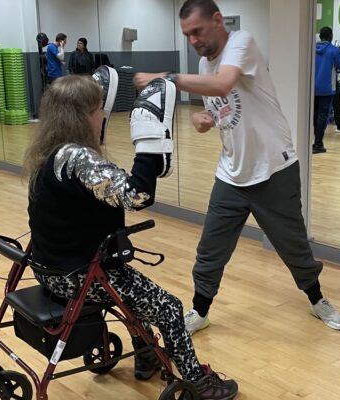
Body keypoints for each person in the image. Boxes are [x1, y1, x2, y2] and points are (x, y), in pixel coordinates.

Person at [134, 0, 340, 335]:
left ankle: (318, 299)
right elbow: (224, 107)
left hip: (274, 170)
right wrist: (204, 118)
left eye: (197, 31)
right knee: (210, 248)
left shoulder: (241, 43)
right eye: (187, 35)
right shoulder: (205, 67)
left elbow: (223, 84)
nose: (193, 41)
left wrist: (165, 78)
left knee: (293, 247)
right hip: (232, 173)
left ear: (218, 20)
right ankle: (200, 310)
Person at [23, 74, 238, 400]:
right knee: (168, 308)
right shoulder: (77, 158)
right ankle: (199, 382)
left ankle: (146, 354)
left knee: (129, 290)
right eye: (99, 109)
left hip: (49, 270)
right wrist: (150, 142)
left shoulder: (46, 155)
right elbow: (136, 195)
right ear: (83, 117)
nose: (104, 115)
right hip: (81, 276)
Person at [313, 27, 340, 153]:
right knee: (323, 116)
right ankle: (318, 144)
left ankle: (313, 143)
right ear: (330, 36)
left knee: (314, 115)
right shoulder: (334, 51)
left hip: (312, 88)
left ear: (320, 36)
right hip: (327, 88)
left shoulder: (312, 48)